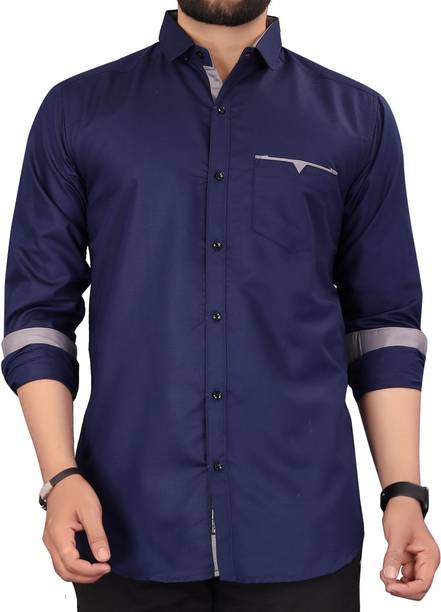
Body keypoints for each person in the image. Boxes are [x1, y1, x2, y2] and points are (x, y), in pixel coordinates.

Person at [1, 1, 439, 610]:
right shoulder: (77, 111)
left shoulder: (357, 118)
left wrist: (403, 492)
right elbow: (38, 316)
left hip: (303, 526)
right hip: (124, 523)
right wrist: (60, 476)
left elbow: (383, 325)